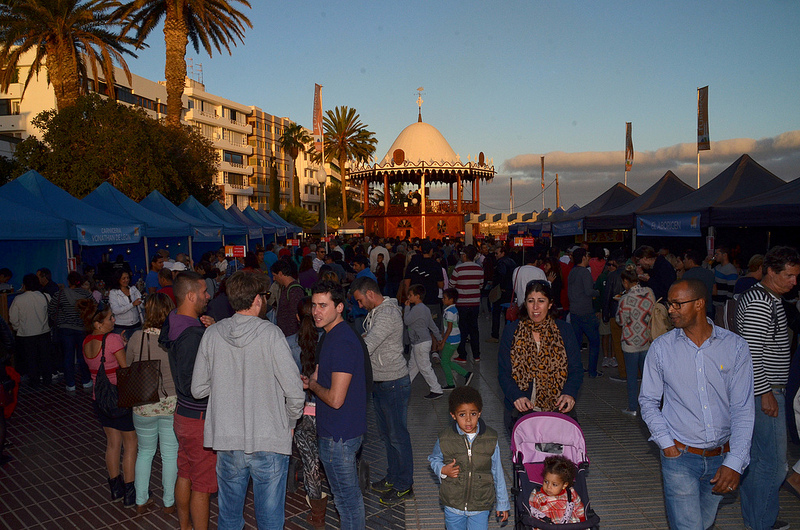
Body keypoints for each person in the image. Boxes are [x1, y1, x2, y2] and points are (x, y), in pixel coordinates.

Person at [191, 270, 304, 530]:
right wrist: (290, 421)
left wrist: (226, 382)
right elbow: (295, 392)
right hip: (269, 438)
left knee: (229, 517)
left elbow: (198, 389)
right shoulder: (271, 334)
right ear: (257, 299)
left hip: (228, 440)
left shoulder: (213, 333)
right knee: (270, 519)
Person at [639, 279, 754, 530]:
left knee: (703, 523)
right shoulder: (661, 348)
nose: (670, 310)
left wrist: (735, 462)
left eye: (677, 304)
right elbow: (648, 400)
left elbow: (743, 409)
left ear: (699, 304)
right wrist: (667, 445)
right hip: (679, 457)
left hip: (721, 458)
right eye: (670, 304)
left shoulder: (735, 346)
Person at [736, 246, 800, 530]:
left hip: (763, 390)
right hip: (764, 390)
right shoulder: (761, 302)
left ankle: (756, 520)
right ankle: (762, 522)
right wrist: (765, 393)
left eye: (796, 276)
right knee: (774, 464)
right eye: (789, 276)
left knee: (758, 460)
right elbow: (751, 353)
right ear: (771, 271)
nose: (794, 282)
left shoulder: (767, 298)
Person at [304, 280, 368, 529]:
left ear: (339, 307)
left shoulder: (341, 341)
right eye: (313, 305)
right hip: (341, 432)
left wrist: (313, 385)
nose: (316, 311)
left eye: (323, 305)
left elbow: (335, 399)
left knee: (347, 504)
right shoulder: (333, 336)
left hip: (338, 436)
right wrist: (314, 381)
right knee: (347, 501)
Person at [350, 276, 415, 505]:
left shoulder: (386, 314)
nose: (360, 306)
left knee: (398, 437)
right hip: (381, 381)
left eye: (360, 300)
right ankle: (393, 477)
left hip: (393, 382)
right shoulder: (378, 313)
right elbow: (368, 339)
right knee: (387, 436)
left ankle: (404, 485)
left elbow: (367, 346)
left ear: (370, 294)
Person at [159, 271, 215, 530]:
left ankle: (184, 527)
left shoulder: (174, 318)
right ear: (191, 296)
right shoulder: (192, 335)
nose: (208, 296)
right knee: (202, 485)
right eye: (204, 292)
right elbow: (193, 385)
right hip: (198, 419)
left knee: (185, 473)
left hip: (182, 415)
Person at [498, 281, 583, 436]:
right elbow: (503, 372)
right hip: (521, 413)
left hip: (557, 410)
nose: (535, 307)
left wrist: (569, 393)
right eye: (531, 301)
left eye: (541, 301)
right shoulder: (512, 331)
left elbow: (576, 369)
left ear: (550, 304)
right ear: (525, 304)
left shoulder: (564, 330)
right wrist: (516, 396)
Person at [76, 297, 138, 508]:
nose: (114, 320)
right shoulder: (112, 339)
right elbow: (125, 369)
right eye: (110, 318)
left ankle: (115, 489)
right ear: (98, 323)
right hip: (119, 397)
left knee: (112, 443)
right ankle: (130, 492)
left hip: (99, 399)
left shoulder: (86, 341)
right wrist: (124, 347)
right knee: (131, 443)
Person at [428, 386, 510, 529]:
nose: (468, 420)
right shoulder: (445, 438)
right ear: (453, 415)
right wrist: (443, 470)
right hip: (453, 504)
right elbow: (434, 459)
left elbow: (497, 471)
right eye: (462, 415)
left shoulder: (490, 439)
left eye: (473, 414)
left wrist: (502, 503)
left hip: (481, 504)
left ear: (480, 413)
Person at [126, 293, 178, 514]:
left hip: (143, 402)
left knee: (145, 452)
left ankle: (140, 500)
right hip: (170, 402)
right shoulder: (174, 337)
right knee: (170, 454)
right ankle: (169, 502)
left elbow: (129, 366)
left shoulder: (137, 337)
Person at [290, 298, 328, 528]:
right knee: (331, 458)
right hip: (327, 410)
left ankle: (317, 515)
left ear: (297, 318)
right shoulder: (329, 341)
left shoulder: (287, 344)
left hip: (301, 413)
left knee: (310, 463)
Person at [615, 267, 655, 416]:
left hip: (630, 342)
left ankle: (633, 408)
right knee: (648, 378)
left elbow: (620, 321)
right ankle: (650, 408)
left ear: (626, 281)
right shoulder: (649, 292)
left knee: (632, 377)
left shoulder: (625, 299)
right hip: (647, 339)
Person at [48, 271, 93, 394]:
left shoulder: (60, 294)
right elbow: (94, 307)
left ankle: (70, 384)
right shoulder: (86, 294)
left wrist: (59, 320)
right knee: (83, 356)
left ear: (68, 281)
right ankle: (86, 381)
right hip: (82, 328)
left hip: (65, 329)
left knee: (68, 356)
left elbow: (51, 309)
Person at [9, 274, 52, 387]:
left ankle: (34, 381)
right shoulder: (46, 296)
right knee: (45, 357)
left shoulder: (19, 299)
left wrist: (17, 328)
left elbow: (13, 318)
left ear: (25, 284)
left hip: (26, 334)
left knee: (31, 359)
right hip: (44, 332)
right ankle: (47, 379)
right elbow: (51, 312)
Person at [404, 284, 444, 399]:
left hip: (420, 342)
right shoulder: (425, 309)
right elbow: (432, 325)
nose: (408, 297)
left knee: (424, 366)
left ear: (417, 296)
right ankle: (405, 386)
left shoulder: (416, 309)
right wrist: (439, 338)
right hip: (422, 342)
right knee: (413, 366)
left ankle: (436, 389)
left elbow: (407, 321)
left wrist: (406, 308)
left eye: (410, 295)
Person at [567, 248, 602, 378]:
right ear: (583, 257)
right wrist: (597, 292)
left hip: (574, 310)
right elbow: (588, 291)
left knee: (576, 343)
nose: (589, 258)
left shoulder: (572, 272)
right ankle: (592, 371)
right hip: (586, 311)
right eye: (587, 256)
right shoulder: (585, 272)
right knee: (594, 341)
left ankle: (576, 369)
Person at [527, 455, 586, 524]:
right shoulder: (537, 495)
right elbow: (530, 510)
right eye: (546, 482)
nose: (548, 487)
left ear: (564, 485)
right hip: (548, 526)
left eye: (554, 484)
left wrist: (583, 521)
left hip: (570, 525)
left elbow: (579, 508)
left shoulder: (570, 493)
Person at [451, 245, 484, 363]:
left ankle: (462, 355)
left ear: (464, 256)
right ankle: (476, 355)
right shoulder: (479, 269)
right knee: (474, 329)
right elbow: (481, 285)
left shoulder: (458, 269)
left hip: (461, 304)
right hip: (475, 303)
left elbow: (451, 285)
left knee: (462, 329)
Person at [439, 288, 472, 389]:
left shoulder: (450, 311)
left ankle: (450, 383)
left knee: (444, 362)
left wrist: (443, 341)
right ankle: (466, 374)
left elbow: (449, 328)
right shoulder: (452, 309)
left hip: (451, 340)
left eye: (444, 298)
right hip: (454, 339)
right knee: (447, 361)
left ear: (451, 299)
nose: (443, 299)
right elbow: (446, 327)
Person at [271, 259, 305, 338]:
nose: (274, 279)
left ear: (280, 273)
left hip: (291, 335)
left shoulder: (294, 290)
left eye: (274, 275)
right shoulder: (287, 288)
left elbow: (295, 315)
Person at [489, 245, 517, 342]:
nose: (495, 255)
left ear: (502, 253)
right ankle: (508, 335)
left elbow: (501, 275)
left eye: (497, 253)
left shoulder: (501, 263)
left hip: (501, 291)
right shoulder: (512, 262)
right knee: (507, 314)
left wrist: (499, 286)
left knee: (496, 313)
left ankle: (495, 335)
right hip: (510, 291)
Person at [682, 249, 715, 318]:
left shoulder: (687, 275)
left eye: (685, 259)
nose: (684, 261)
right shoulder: (710, 273)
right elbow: (714, 292)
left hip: (693, 310)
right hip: (708, 309)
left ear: (691, 261)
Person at [109, 270, 143, 336]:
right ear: (118, 279)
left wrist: (144, 301)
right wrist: (132, 304)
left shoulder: (133, 289)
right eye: (123, 278)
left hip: (136, 325)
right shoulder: (113, 293)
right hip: (121, 327)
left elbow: (141, 304)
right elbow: (115, 310)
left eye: (128, 278)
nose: (126, 280)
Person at [712, 246, 738, 312]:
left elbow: (731, 290)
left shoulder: (730, 270)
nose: (715, 256)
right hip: (715, 303)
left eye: (717, 254)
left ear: (724, 255)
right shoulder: (717, 267)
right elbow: (707, 274)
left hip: (722, 306)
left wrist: (726, 305)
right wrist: (707, 262)